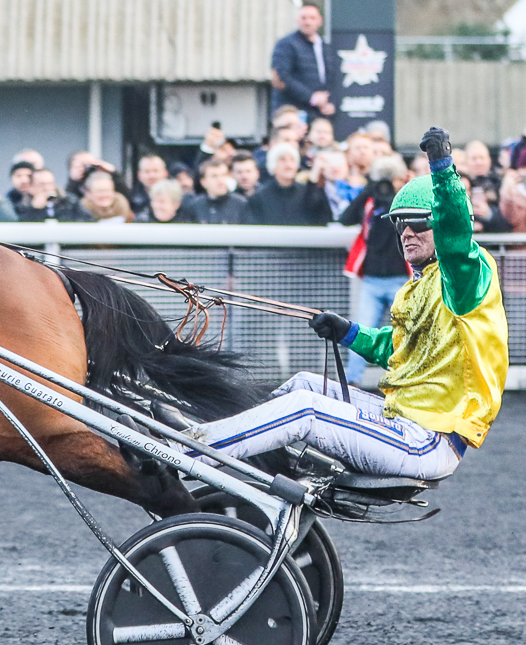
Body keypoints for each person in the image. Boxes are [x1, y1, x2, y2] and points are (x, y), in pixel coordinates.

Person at [187, 127, 508, 479]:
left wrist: (443, 168)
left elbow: (456, 236)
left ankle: (185, 454)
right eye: (400, 224)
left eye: (418, 222)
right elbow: (401, 350)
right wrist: (349, 333)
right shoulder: (416, 287)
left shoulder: (467, 274)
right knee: (305, 384)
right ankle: (223, 437)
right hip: (402, 420)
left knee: (306, 408)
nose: (407, 233)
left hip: (429, 439)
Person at [339, 154, 410, 387]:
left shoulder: (407, 201)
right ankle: (352, 381)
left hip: (401, 279)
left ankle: (407, 378)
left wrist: (393, 197)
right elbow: (345, 218)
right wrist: (369, 190)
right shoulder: (370, 202)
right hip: (371, 280)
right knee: (362, 332)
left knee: (406, 331)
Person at [270, 3, 335, 117]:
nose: (307, 22)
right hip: (292, 111)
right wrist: (312, 97)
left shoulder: (325, 46)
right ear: (297, 20)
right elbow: (282, 77)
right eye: (303, 18)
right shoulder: (286, 44)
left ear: (320, 21)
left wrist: (329, 101)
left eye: (312, 18)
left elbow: (332, 79)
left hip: (318, 113)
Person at [247, 143, 333, 226]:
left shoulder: (308, 193)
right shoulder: (259, 197)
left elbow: (323, 220)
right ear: (272, 165)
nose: (288, 165)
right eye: (282, 160)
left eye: (292, 160)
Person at [181, 160, 249, 223]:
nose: (220, 180)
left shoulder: (241, 204)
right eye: (214, 176)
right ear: (203, 182)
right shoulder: (194, 206)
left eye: (223, 175)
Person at [17, 168, 91, 221]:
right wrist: (35, 210)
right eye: (42, 184)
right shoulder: (22, 207)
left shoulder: (69, 202)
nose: (47, 188)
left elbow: (85, 220)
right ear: (31, 188)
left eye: (50, 184)